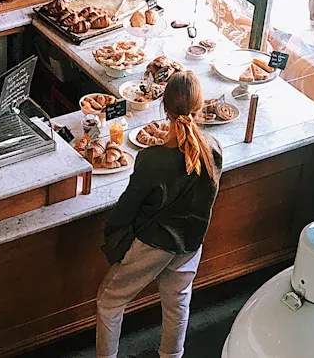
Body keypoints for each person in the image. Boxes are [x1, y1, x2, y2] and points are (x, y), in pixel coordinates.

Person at [96, 71, 224, 358]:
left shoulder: (152, 159)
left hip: (152, 245)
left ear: (164, 109)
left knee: (110, 303)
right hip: (191, 244)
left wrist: (110, 232)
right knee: (178, 303)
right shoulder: (213, 148)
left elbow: (126, 209)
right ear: (200, 107)